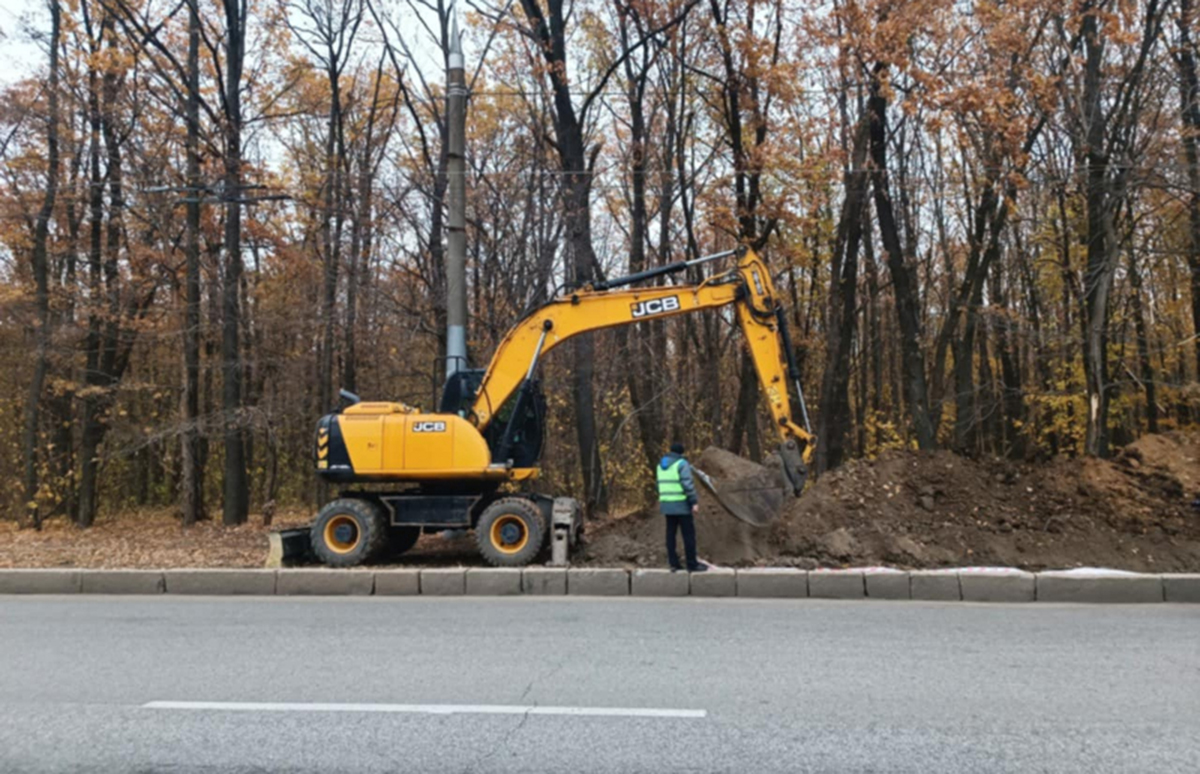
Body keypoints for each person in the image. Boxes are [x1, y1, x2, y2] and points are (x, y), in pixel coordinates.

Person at [656, 442, 707, 573]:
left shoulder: (660, 465)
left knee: (670, 535)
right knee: (688, 535)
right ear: (681, 453)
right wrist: (694, 502)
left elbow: (658, 485)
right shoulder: (682, 464)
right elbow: (687, 484)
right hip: (682, 504)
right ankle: (692, 564)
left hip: (667, 505)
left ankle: (673, 563)